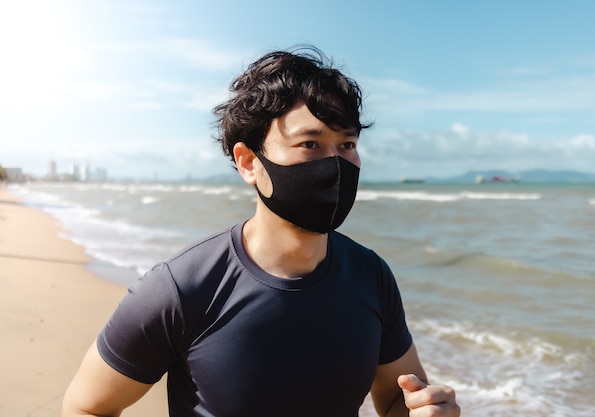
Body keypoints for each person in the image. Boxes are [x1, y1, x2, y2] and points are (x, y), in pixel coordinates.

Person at [62, 46, 460, 417]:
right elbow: (86, 407)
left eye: (347, 144)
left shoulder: (371, 276)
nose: (336, 164)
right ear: (249, 162)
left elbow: (396, 398)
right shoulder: (181, 289)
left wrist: (425, 409)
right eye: (309, 143)